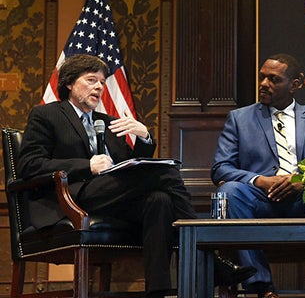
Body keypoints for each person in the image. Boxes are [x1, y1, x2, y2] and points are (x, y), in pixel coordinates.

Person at [16, 54, 255, 298]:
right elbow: (29, 164)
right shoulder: (47, 115)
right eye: (91, 80)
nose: (99, 87)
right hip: (72, 196)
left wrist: (144, 137)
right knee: (166, 173)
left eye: (102, 82)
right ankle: (209, 257)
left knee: (160, 200)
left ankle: (157, 290)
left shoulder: (108, 122)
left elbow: (128, 163)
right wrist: (86, 165)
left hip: (109, 195)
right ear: (69, 83)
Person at [211, 53, 305, 298]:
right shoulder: (239, 119)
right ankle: (262, 287)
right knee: (229, 191)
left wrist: (301, 181)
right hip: (260, 200)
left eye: (273, 79)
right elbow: (221, 167)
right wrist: (259, 180)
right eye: (262, 78)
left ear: (294, 85)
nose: (263, 84)